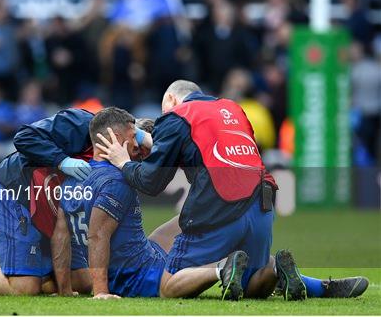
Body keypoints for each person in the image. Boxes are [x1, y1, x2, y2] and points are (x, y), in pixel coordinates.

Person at [96, 80, 369, 300]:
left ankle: (221, 268)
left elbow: (151, 183)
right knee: (252, 285)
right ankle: (298, 277)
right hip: (262, 207)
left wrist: (122, 162)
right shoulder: (233, 110)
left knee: (169, 285)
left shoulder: (177, 116)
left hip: (221, 205)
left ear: (171, 100)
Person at [0, 109, 96, 295]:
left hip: (49, 203)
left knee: (83, 282)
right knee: (25, 288)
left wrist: (65, 288)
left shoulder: (121, 160)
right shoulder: (83, 123)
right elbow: (24, 137)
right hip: (17, 192)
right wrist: (63, 161)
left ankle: (16, 273)